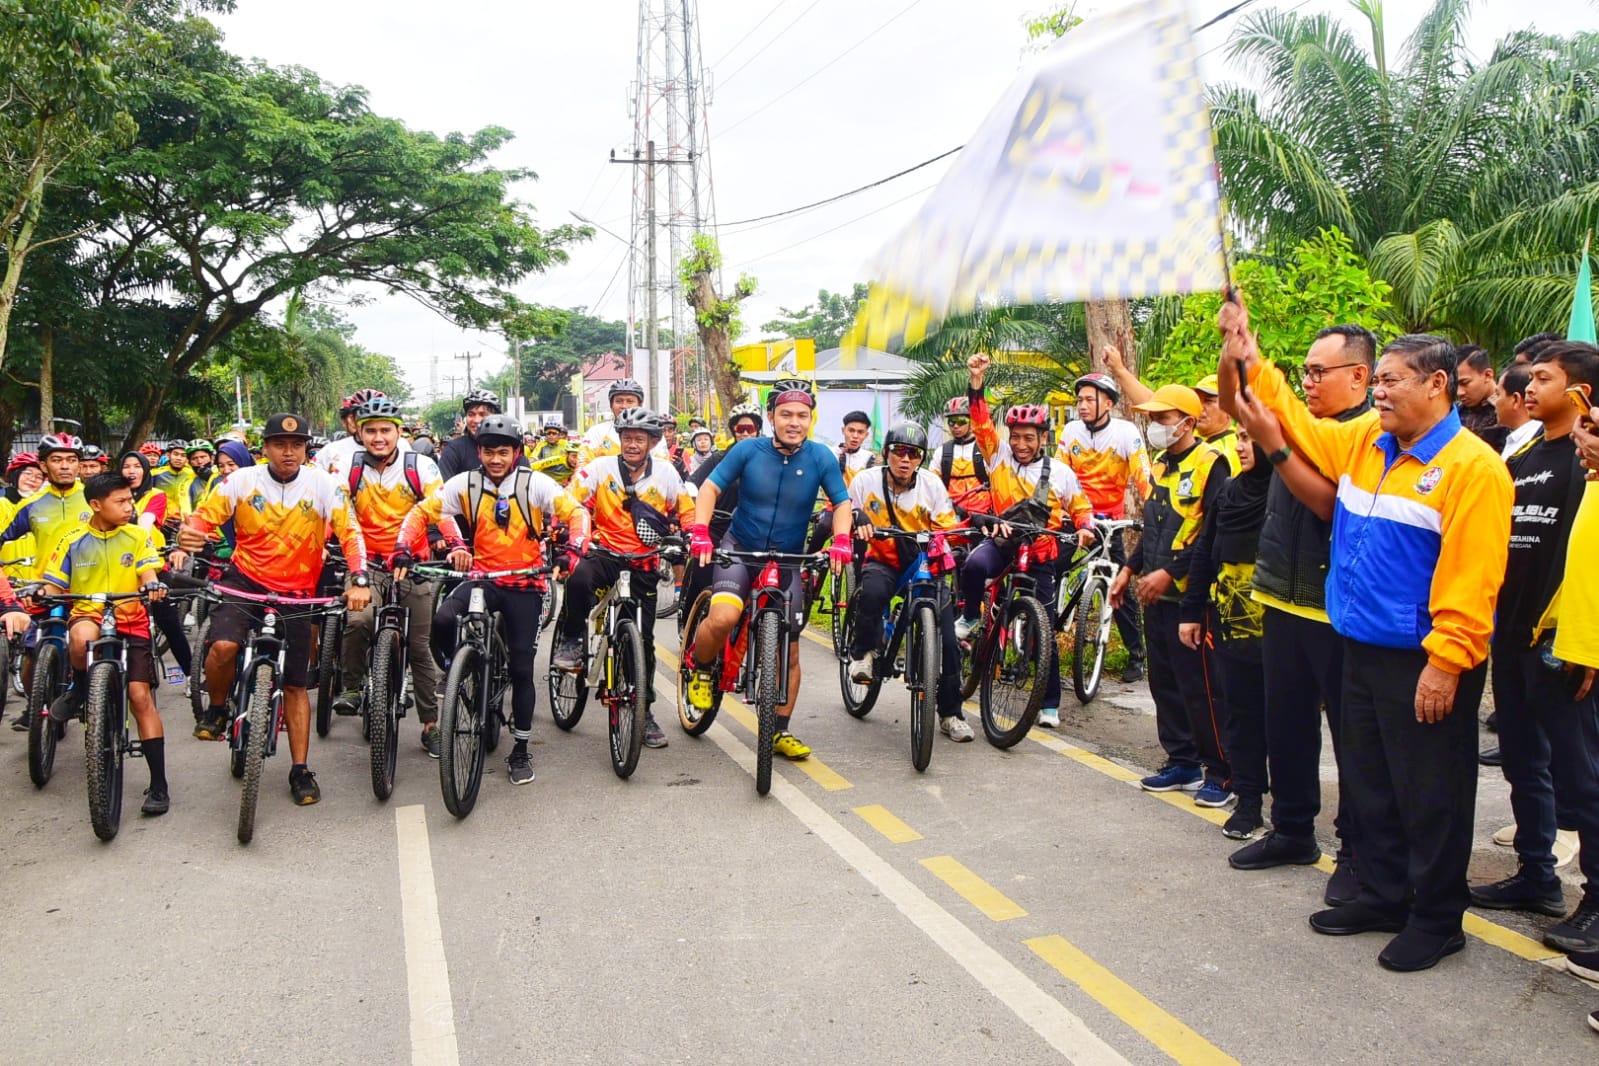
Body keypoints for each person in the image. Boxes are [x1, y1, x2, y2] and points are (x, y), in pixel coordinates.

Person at [1220, 296, 1513, 973]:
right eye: (1375, 381)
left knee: (1430, 793)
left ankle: (1436, 918)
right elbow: (1294, 424)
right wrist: (1249, 353)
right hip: (1357, 646)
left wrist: (1447, 662)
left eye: (1390, 381)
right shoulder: (1363, 445)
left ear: (1436, 385)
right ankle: (1382, 895)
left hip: (1422, 660)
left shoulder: (1472, 469)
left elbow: (1473, 579)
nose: (1377, 392)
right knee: (1370, 784)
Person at [1220, 324, 1377, 905]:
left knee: (1352, 738)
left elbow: (1333, 507)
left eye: (1318, 372)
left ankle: (1356, 850)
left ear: (1359, 376)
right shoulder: (1297, 421)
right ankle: (1291, 830)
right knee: (1285, 725)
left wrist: (1280, 449)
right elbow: (1236, 400)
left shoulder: (1367, 432)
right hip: (1280, 599)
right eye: (1304, 372)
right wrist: (1232, 351)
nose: (1308, 382)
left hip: (1333, 609)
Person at [1466, 341, 1599, 956]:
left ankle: (1594, 902)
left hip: (1563, 644)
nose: (1528, 388)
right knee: (1524, 762)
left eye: (1544, 378)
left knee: (1583, 780)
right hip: (1512, 635)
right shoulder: (1523, 455)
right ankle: (1536, 875)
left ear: (1581, 392)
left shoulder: (1588, 462)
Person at [177, 413, 371, 806]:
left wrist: (360, 580)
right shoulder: (240, 481)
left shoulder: (325, 485)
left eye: (296, 445)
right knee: (222, 647)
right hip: (246, 580)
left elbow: (350, 533)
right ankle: (218, 708)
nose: (288, 452)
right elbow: (203, 518)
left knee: (296, 686)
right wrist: (190, 536)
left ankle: (300, 769)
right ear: (264, 448)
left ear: (306, 449)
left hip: (298, 590)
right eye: (280, 444)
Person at [396, 414, 587, 786]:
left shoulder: (534, 483)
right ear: (479, 451)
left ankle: (521, 749)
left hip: (525, 583)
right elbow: (420, 512)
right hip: (483, 579)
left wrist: (572, 551)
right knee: (443, 620)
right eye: (488, 452)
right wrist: (403, 547)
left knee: (521, 667)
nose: (495, 459)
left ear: (516, 452)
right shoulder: (466, 484)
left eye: (503, 452)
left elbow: (576, 512)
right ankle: (462, 670)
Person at [685, 378, 852, 760]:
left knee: (789, 651)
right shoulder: (748, 450)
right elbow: (709, 489)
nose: (794, 422)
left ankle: (779, 730)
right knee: (724, 617)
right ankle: (702, 667)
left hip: (788, 559)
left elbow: (841, 503)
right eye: (786, 414)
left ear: (810, 419)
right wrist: (701, 532)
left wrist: (842, 539)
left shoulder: (821, 457)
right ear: (772, 416)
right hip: (741, 549)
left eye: (802, 415)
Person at [1109, 384, 1232, 805]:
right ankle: (1182, 762)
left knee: (1202, 689)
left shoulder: (1211, 464)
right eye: (1153, 418)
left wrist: (1170, 573)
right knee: (1165, 684)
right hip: (1156, 598)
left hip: (1192, 600)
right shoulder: (1161, 465)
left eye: (1162, 418)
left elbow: (1212, 535)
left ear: (1187, 422)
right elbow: (1154, 529)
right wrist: (1129, 569)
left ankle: (1221, 773)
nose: (1155, 426)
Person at [958, 354, 1094, 730]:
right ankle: (971, 617)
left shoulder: (1060, 472)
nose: (1020, 444)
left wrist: (1084, 527)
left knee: (1043, 629)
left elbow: (1081, 508)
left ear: (1042, 439)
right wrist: (976, 381)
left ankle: (1049, 704)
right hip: (1003, 547)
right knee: (973, 565)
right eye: (1015, 436)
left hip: (1039, 556)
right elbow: (981, 422)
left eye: (1028, 438)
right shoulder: (998, 457)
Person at [554, 407, 691, 749]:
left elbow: (686, 511)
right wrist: (565, 531)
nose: (632, 444)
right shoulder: (600, 468)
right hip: (605, 553)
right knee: (577, 577)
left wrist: (691, 537)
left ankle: (644, 712)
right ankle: (571, 639)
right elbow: (569, 502)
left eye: (639, 439)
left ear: (652, 442)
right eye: (627, 437)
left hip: (643, 562)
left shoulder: (666, 473)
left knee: (642, 642)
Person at [37, 473, 172, 815]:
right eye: (121, 501)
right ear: (96, 505)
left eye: (130, 500)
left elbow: (148, 571)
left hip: (131, 618)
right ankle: (81, 688)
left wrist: (152, 585)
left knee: (140, 697)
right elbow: (53, 586)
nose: (129, 507)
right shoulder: (72, 540)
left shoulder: (137, 535)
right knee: (80, 638)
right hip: (90, 614)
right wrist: (39, 593)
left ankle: (159, 784)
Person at [847, 423, 975, 742]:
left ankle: (950, 714)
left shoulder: (931, 484)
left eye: (914, 454)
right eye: (899, 451)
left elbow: (947, 524)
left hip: (923, 564)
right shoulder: (866, 480)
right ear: (886, 453)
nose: (906, 459)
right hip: (883, 560)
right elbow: (845, 509)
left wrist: (969, 529)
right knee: (872, 593)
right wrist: (857, 517)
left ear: (921, 459)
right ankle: (863, 653)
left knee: (948, 641)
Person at [336, 396, 447, 757]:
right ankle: (352, 687)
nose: (378, 437)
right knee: (358, 620)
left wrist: (455, 543)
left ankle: (430, 725)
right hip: (367, 564)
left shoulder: (421, 466)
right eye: (371, 431)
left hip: (413, 565)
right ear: (359, 432)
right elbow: (336, 512)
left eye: (386, 430)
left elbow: (440, 507)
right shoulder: (347, 467)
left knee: (419, 646)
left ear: (399, 432)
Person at [1180, 428, 1273, 837]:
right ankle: (1249, 803)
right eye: (1238, 437)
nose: (1239, 446)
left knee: (1282, 723)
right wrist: (1191, 610)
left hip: (1279, 631)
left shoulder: (1289, 492)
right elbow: (1205, 550)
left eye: (1249, 439)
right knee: (1239, 716)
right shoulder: (1230, 493)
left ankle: (1291, 817)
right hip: (1231, 626)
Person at [1056, 365, 1151, 682]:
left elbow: (1144, 477)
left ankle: (1136, 656)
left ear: (1108, 403)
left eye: (1089, 399)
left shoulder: (1126, 432)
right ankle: (1038, 638)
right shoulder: (1070, 431)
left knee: (1118, 586)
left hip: (1109, 523)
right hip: (1074, 519)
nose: (1082, 405)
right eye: (1079, 400)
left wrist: (1156, 510)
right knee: (1050, 567)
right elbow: (1057, 474)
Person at [119, 450, 193, 685]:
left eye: (137, 466)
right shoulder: (114, 495)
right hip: (119, 568)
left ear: (145, 470)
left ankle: (190, 675)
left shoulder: (156, 495)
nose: (131, 471)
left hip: (153, 566)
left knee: (169, 623)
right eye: (126, 466)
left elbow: (146, 521)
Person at [681, 402, 763, 611]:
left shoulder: (766, 460)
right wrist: (695, 508)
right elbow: (691, 484)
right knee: (702, 575)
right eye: (740, 429)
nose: (745, 434)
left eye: (750, 429)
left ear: (758, 430)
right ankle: (690, 617)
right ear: (733, 431)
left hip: (751, 532)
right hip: (717, 527)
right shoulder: (719, 458)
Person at [578, 379, 671, 467]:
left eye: (630, 401)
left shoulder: (652, 433)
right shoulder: (596, 432)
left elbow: (663, 467)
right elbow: (582, 467)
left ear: (640, 405)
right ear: (611, 405)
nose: (624, 406)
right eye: (619, 401)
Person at [934, 396, 994, 520]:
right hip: (952, 519)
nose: (955, 426)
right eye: (951, 422)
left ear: (972, 421)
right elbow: (931, 486)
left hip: (984, 518)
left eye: (961, 421)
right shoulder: (941, 452)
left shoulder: (986, 451)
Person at [315, 389, 394, 479]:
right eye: (364, 417)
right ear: (352, 420)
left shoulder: (402, 448)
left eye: (379, 418)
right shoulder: (330, 451)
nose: (372, 423)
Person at [1456, 345, 1506, 452]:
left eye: (1465, 383)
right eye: (1455, 385)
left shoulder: (1509, 410)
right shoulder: (1454, 412)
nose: (1459, 392)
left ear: (1487, 375)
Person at [1194, 375, 1243, 474]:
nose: (1200, 407)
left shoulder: (1229, 451)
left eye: (1208, 401)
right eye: (1197, 400)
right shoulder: (1188, 435)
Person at [1496, 362, 1541, 460]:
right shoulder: (1517, 438)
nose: (1495, 402)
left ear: (1516, 399)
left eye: (1498, 394)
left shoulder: (1531, 443)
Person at [151, 441, 192, 527]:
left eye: (183, 455)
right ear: (168, 455)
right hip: (162, 521)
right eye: (175, 454)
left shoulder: (192, 475)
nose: (179, 458)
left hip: (187, 521)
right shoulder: (155, 474)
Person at [186, 440, 218, 511]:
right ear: (189, 462)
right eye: (194, 458)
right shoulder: (188, 481)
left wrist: (211, 477)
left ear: (211, 458)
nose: (199, 461)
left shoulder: (221, 473)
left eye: (203, 457)